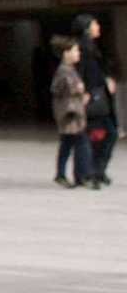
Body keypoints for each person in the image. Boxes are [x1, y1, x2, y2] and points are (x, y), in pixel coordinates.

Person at [72, 13, 117, 185]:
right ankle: (90, 172)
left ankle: (96, 170)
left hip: (98, 96)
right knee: (98, 136)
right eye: (95, 23)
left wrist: (106, 79)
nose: (98, 26)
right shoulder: (83, 47)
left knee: (105, 135)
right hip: (92, 98)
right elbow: (82, 71)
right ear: (87, 28)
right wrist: (84, 91)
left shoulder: (92, 46)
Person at [52, 36, 98, 189]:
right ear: (66, 53)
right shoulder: (63, 71)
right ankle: (83, 176)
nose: (78, 53)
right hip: (70, 115)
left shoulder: (70, 70)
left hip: (72, 113)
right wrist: (77, 90)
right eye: (75, 50)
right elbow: (57, 89)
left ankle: (61, 174)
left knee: (67, 144)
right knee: (82, 143)